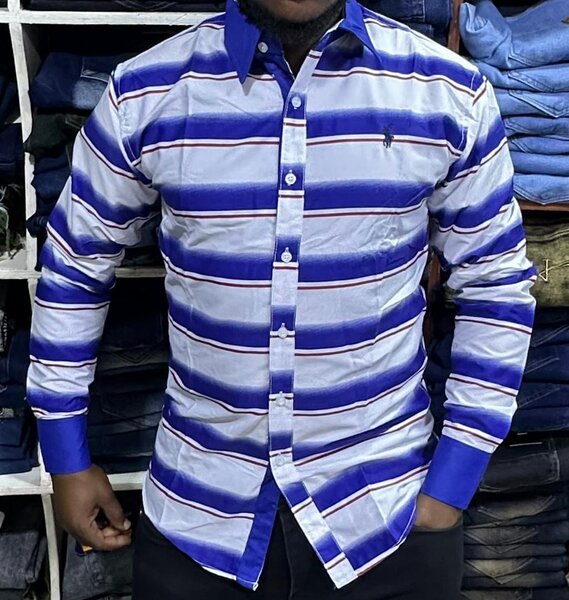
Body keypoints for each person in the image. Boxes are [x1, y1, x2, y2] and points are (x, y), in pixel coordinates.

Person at [26, 0, 536, 597]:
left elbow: (496, 284)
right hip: (199, 525)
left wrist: (454, 479)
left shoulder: (447, 91)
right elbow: (74, 268)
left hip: (389, 524)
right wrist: (65, 454)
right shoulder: (146, 92)